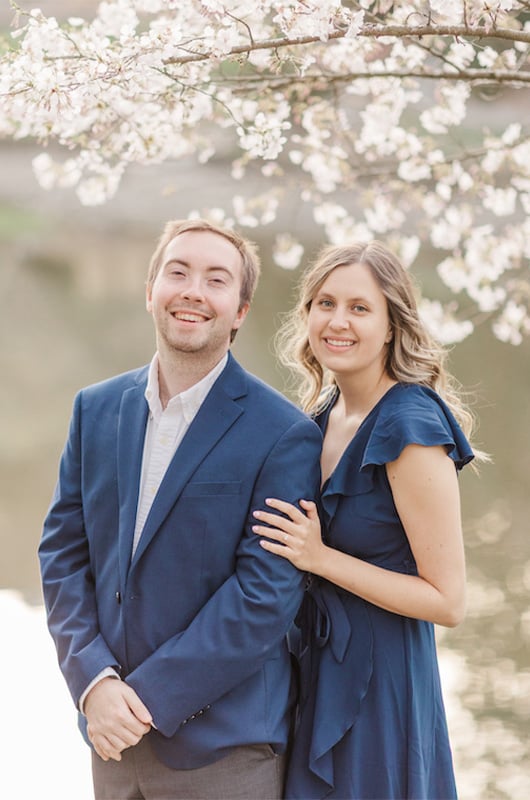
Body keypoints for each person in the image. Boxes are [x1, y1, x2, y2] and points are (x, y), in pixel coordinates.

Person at [38, 218, 322, 800]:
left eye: (216, 280)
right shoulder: (94, 410)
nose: (193, 290)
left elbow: (264, 596)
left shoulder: (283, 434)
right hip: (110, 741)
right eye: (178, 272)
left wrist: (143, 701)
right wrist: (94, 684)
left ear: (239, 311)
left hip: (222, 753)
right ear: (150, 291)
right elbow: (63, 556)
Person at [251, 240, 483, 799]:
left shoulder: (410, 425)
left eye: (360, 308)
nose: (338, 321)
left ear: (391, 324)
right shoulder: (322, 417)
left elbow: (448, 601)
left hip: (382, 687)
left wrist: (321, 558)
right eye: (324, 303)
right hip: (317, 671)